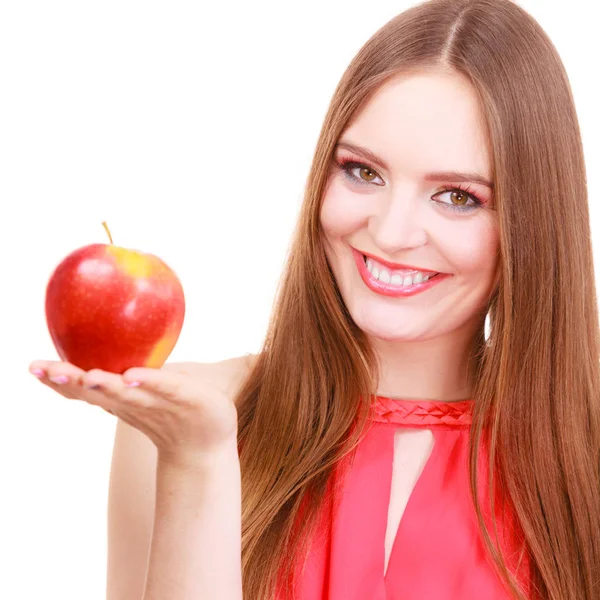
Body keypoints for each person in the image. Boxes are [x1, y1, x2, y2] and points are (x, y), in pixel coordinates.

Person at [29, 0, 600, 598]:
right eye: (363, 172)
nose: (390, 232)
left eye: (458, 196)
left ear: (533, 224)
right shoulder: (183, 421)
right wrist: (198, 462)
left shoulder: (581, 461)